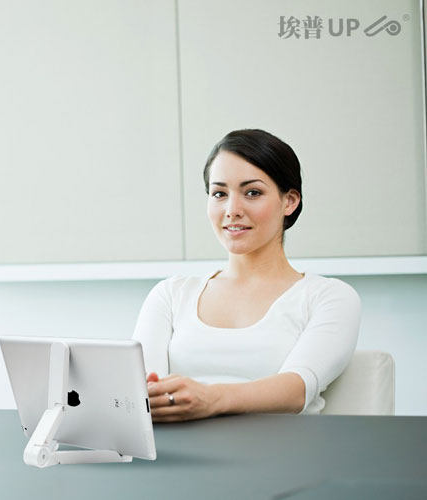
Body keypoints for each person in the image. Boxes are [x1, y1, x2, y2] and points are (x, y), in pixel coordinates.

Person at [133, 129, 361, 422]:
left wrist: (211, 398)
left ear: (289, 201)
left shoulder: (329, 297)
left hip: (281, 449)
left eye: (252, 192)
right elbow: (140, 390)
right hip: (178, 448)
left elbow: (297, 390)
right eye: (219, 194)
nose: (232, 210)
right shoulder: (170, 294)